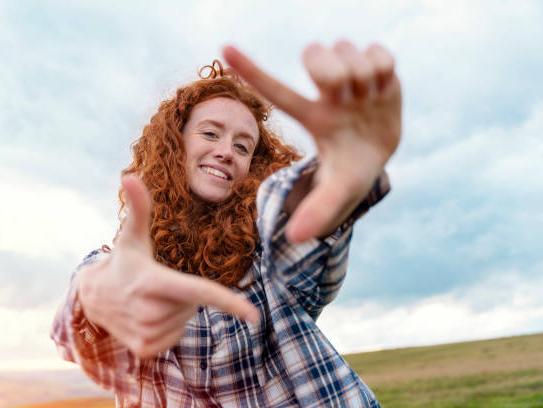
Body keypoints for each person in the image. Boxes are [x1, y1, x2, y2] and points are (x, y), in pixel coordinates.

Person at [51, 40, 401, 407]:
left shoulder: (265, 250)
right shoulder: (128, 264)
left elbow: (295, 222)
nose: (225, 151)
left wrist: (334, 176)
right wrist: (98, 294)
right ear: (175, 142)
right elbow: (78, 327)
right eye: (210, 133)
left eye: (243, 146)